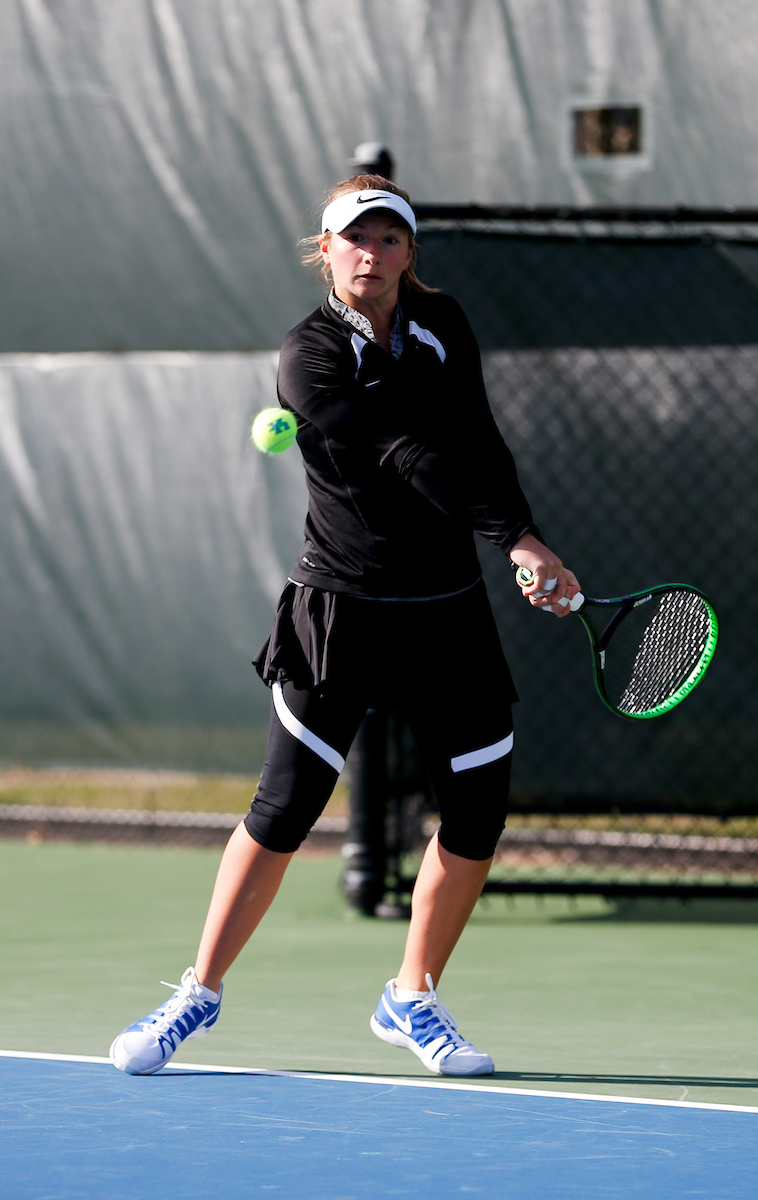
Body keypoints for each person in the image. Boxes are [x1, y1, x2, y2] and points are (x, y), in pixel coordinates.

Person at [109, 176, 580, 1078]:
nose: (372, 253)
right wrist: (517, 538)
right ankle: (197, 992)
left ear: (410, 253)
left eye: (389, 239)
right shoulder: (308, 355)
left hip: (446, 610)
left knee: (477, 810)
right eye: (352, 239)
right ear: (323, 251)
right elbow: (403, 453)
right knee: (283, 813)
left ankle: (413, 995)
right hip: (342, 610)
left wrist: (531, 549)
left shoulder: (447, 329)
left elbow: (478, 443)